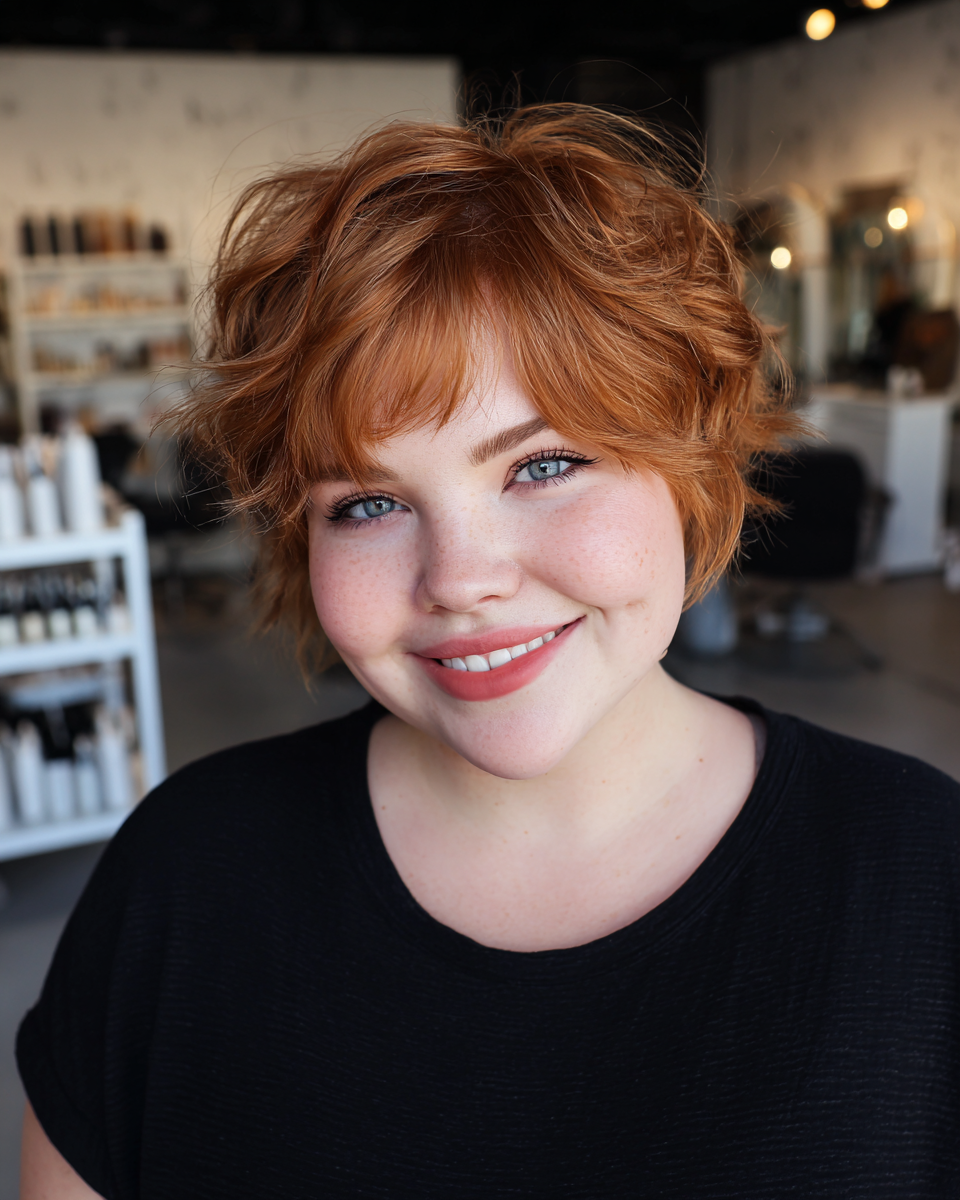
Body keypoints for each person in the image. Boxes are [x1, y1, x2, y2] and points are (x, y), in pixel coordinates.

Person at [18, 106, 960, 1199]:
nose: (460, 578)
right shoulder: (182, 884)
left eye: (546, 465)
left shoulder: (921, 879)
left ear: (690, 466)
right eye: (369, 502)